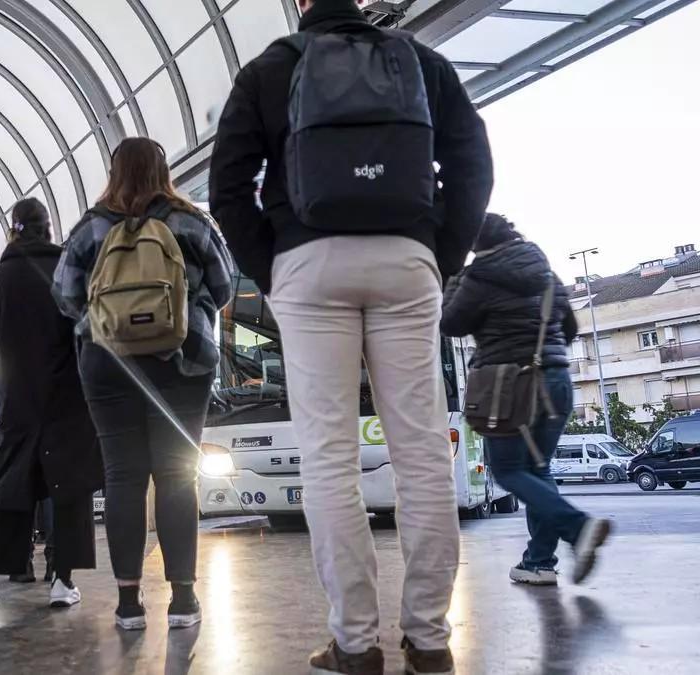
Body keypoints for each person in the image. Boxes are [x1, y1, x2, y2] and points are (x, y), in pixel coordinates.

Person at [208, 0, 494, 671]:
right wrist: (439, 250)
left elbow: (228, 188)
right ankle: (428, 638)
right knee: (421, 451)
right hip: (406, 258)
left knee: (328, 455)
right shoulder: (421, 64)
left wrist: (274, 265)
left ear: (302, 2)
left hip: (309, 264)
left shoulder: (269, 69)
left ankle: (355, 642)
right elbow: (473, 163)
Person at [54, 137, 233, 631]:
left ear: (114, 174)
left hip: (107, 363)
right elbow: (223, 284)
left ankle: (129, 604)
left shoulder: (91, 227)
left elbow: (66, 295)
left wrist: (112, 319)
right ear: (162, 170)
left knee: (123, 477)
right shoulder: (191, 220)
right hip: (182, 361)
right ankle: (183, 601)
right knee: (177, 476)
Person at [441, 214, 612, 587]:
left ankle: (579, 527)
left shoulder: (478, 277)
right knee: (536, 470)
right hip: (556, 380)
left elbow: (450, 323)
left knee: (508, 470)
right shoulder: (547, 275)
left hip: (510, 386)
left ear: (476, 244)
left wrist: (455, 278)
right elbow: (568, 329)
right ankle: (539, 562)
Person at [0, 197, 103, 609]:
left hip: (18, 395)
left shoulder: (0, 277)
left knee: (11, 482)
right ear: (50, 229)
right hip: (67, 395)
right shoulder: (66, 267)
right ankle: (63, 580)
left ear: (13, 228)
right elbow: (87, 327)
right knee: (67, 485)